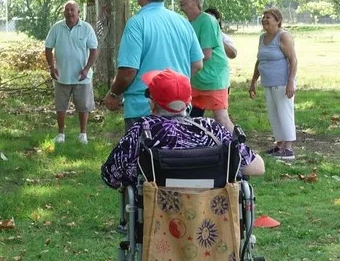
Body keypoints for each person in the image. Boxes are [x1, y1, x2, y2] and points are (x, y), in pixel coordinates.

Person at [101, 69, 265, 190]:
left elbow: (110, 176)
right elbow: (257, 167)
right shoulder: (212, 129)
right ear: (188, 103)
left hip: (156, 223)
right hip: (210, 220)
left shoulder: (143, 131)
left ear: (152, 103)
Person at [103, 0, 204, 132]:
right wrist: (173, 85)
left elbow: (128, 71)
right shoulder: (183, 22)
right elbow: (197, 64)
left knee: (144, 156)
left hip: (144, 108)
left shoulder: (137, 23)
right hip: (179, 106)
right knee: (175, 155)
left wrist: (113, 94)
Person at [44, 0, 99, 144]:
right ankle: (61, 134)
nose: (70, 13)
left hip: (82, 76)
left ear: (78, 12)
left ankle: (83, 134)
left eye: (72, 10)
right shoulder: (56, 28)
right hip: (61, 75)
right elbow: (48, 48)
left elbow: (94, 50)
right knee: (60, 106)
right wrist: (51, 66)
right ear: (63, 13)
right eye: (67, 10)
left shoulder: (87, 28)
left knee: (83, 106)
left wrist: (86, 69)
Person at [179, 0, 234, 131]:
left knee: (221, 119)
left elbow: (206, 54)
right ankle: (198, 150)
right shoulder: (187, 23)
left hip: (213, 78)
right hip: (196, 79)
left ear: (196, 1)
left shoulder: (207, 20)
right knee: (192, 120)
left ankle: (240, 150)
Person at [249, 8, 298, 160]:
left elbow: (293, 60)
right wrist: (253, 82)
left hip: (282, 82)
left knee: (284, 113)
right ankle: (279, 144)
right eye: (263, 17)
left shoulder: (283, 37)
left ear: (277, 20)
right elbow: (260, 60)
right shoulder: (262, 38)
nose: (264, 20)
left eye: (268, 17)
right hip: (268, 82)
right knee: (273, 114)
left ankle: (288, 149)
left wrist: (290, 82)